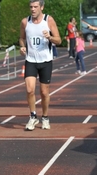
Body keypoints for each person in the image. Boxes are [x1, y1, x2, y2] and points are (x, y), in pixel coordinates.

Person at [19, 0, 61, 131]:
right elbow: (21, 38)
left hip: (45, 61)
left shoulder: (49, 20)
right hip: (31, 60)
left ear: (41, 7)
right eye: (31, 7)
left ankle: (45, 117)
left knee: (44, 92)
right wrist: (22, 47)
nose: (33, 9)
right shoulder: (25, 22)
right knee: (29, 90)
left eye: (35, 7)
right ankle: (33, 116)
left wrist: (49, 37)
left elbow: (59, 40)